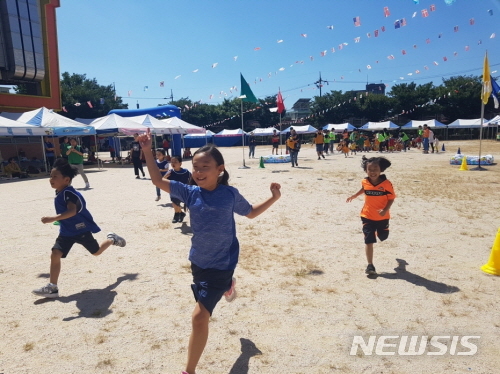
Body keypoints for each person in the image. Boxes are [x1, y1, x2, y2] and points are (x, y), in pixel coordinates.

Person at [138, 129, 281, 374]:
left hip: (222, 264)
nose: (199, 172)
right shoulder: (190, 192)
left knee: (199, 317)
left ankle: (189, 371)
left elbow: (251, 212)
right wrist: (146, 151)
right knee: (202, 308)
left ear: (220, 169)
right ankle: (228, 288)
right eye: (195, 167)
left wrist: (274, 197)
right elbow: (157, 180)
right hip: (199, 262)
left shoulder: (229, 194)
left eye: (205, 166)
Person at [32, 158, 126, 298]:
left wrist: (53, 218)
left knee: (96, 252)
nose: (51, 179)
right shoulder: (61, 192)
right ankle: (52, 287)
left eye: (55, 176)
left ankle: (112, 239)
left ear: (66, 180)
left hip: (81, 230)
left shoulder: (69, 193)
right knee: (55, 253)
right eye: (51, 176)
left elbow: (72, 211)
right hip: (66, 232)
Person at [346, 156, 396, 275]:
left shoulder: (387, 184)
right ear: (366, 170)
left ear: (381, 170)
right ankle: (370, 265)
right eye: (370, 169)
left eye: (375, 169)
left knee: (383, 236)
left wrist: (385, 210)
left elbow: (391, 198)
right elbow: (364, 188)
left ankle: (383, 231)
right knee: (369, 240)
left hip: (382, 217)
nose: (372, 172)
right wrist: (354, 196)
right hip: (366, 215)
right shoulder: (365, 181)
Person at [164, 155, 192, 223]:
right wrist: (165, 176)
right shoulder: (170, 172)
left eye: (175, 162)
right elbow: (162, 180)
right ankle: (177, 214)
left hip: (184, 191)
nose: (173, 163)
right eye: (172, 162)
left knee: (179, 204)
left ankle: (181, 213)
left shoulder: (186, 172)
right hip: (173, 191)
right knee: (175, 204)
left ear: (180, 163)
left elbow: (192, 179)